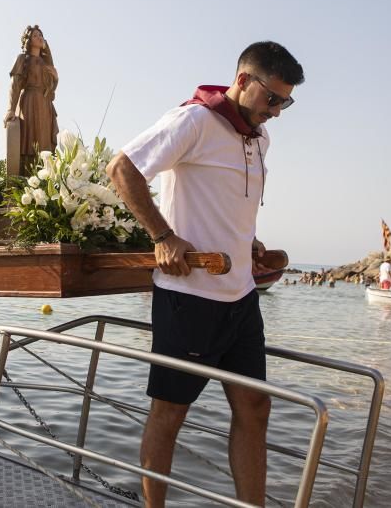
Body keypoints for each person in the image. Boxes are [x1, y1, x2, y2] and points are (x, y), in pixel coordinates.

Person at [106, 40, 304, 506]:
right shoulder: (194, 121)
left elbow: (229, 203)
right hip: (188, 297)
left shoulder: (260, 137)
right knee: (170, 413)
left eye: (286, 102)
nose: (276, 111)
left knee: (256, 407)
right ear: (241, 81)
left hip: (241, 299)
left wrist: (249, 243)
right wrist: (162, 236)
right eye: (271, 98)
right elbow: (122, 168)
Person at [4, 25, 58, 171]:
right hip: (30, 103)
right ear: (28, 40)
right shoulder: (22, 59)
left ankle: (45, 177)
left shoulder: (46, 64)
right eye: (35, 35)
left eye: (41, 35)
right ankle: (26, 176)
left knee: (46, 147)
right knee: (30, 143)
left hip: (45, 106)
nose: (39, 37)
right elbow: (15, 85)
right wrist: (10, 109)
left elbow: (52, 90)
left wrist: (56, 77)